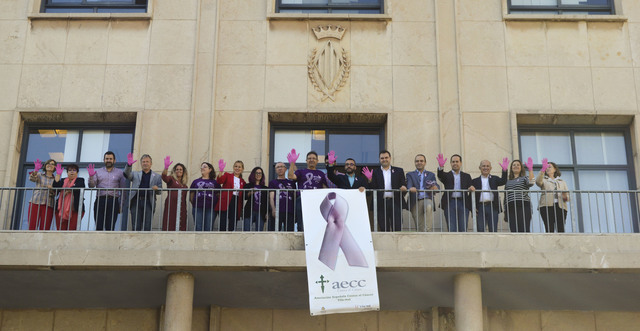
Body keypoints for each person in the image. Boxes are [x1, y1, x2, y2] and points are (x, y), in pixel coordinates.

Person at [363, 150, 407, 232]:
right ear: (379, 159)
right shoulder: (375, 172)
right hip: (381, 203)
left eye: (386, 157)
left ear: (390, 158)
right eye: (382, 158)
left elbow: (403, 183)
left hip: (395, 202)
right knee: (384, 228)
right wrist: (370, 180)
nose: (384, 159)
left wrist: (404, 187)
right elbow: (373, 188)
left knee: (397, 227)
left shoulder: (398, 170)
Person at [287, 150, 329, 231]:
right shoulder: (300, 171)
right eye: (309, 158)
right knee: (301, 222)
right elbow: (290, 176)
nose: (311, 160)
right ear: (306, 161)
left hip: (316, 200)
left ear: (317, 161)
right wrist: (292, 162)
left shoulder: (321, 173)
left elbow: (325, 188)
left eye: (314, 158)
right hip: (302, 199)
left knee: (315, 221)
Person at [87, 151, 127, 231]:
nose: (108, 160)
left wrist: (121, 205)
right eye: (107, 159)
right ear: (104, 160)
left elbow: (123, 190)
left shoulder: (120, 172)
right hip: (100, 201)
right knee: (99, 226)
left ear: (114, 161)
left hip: (113, 201)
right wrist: (91, 177)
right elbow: (91, 186)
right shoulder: (98, 172)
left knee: (110, 226)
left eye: (110, 159)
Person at [123, 153, 162, 231]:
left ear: (151, 164)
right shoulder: (135, 174)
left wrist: (157, 188)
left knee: (147, 226)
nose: (145, 163)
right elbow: (127, 175)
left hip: (148, 202)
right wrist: (129, 165)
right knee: (136, 225)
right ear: (141, 164)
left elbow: (160, 191)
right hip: (136, 201)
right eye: (143, 162)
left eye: (147, 162)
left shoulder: (157, 176)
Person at [437, 153, 473, 232]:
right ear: (450, 163)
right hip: (450, 202)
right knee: (451, 228)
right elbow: (440, 176)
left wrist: (471, 187)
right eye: (453, 162)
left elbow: (471, 186)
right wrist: (441, 167)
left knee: (463, 228)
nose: (455, 163)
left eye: (457, 161)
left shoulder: (466, 176)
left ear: (461, 163)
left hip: (463, 203)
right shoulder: (446, 175)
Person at [470, 159, 508, 232]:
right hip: (480, 207)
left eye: (487, 166)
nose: (485, 168)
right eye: (483, 166)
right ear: (480, 168)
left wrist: (504, 170)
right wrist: (473, 208)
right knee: (480, 230)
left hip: (492, 207)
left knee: (493, 230)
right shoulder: (475, 181)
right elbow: (470, 196)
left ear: (490, 168)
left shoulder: (494, 179)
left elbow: (503, 181)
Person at [406, 154, 439, 232]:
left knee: (428, 206)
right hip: (415, 201)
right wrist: (411, 188)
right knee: (420, 228)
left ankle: (428, 230)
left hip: (427, 198)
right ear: (415, 163)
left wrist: (435, 187)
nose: (419, 162)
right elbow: (409, 185)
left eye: (421, 161)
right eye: (417, 161)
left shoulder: (431, 174)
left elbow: (436, 186)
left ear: (425, 162)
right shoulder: (410, 174)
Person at [536, 158, 570, 233]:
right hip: (546, 205)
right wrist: (542, 169)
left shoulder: (562, 181)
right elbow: (538, 182)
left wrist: (565, 197)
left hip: (560, 206)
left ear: (555, 169)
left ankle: (560, 244)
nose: (547, 168)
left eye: (549, 167)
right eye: (546, 167)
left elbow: (567, 197)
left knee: (561, 228)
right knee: (549, 228)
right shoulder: (544, 179)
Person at [504, 158, 535, 233]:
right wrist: (505, 211)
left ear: (521, 168)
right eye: (514, 165)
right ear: (511, 168)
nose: (516, 166)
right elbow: (505, 196)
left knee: (524, 228)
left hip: (523, 204)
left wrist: (530, 169)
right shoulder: (507, 181)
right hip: (511, 206)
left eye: (518, 165)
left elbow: (531, 183)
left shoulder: (524, 178)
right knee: (513, 229)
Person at [52, 163, 85, 231]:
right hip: (60, 209)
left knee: (72, 230)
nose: (72, 172)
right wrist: (58, 175)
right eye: (70, 170)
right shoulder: (63, 180)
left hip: (75, 210)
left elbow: (80, 186)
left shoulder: (80, 180)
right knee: (60, 230)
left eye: (74, 170)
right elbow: (56, 188)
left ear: (77, 172)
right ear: (67, 172)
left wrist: (70, 189)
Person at [27, 159, 57, 230]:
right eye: (48, 163)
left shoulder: (55, 179)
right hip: (36, 202)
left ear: (55, 167)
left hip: (49, 204)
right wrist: (35, 170)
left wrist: (51, 189)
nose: (50, 165)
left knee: (45, 228)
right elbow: (32, 178)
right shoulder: (39, 174)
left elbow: (55, 193)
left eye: (52, 164)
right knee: (32, 226)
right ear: (45, 166)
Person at [216, 159, 246, 231]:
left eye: (239, 167)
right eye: (236, 166)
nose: (237, 168)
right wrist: (221, 171)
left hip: (236, 201)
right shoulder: (227, 175)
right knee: (223, 221)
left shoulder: (243, 181)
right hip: (226, 200)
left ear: (242, 169)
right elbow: (219, 181)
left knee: (233, 221)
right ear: (233, 167)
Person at [161, 156, 188, 231]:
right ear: (174, 171)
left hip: (181, 207)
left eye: (180, 169)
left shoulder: (185, 185)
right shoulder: (171, 179)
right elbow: (164, 177)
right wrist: (166, 167)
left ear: (183, 172)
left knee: (181, 224)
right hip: (171, 206)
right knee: (170, 223)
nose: (179, 171)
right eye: (177, 169)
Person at [190, 162, 219, 231]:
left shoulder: (214, 182)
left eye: (205, 167)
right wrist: (194, 203)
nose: (202, 168)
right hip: (198, 207)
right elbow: (191, 195)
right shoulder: (195, 181)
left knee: (208, 227)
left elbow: (218, 194)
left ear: (210, 169)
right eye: (202, 167)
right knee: (198, 227)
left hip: (211, 208)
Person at [269, 162, 296, 231]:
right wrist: (273, 209)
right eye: (278, 167)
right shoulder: (272, 183)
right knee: (275, 233)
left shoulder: (291, 183)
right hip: (278, 210)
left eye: (281, 166)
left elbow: (294, 197)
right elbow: (271, 197)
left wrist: (292, 164)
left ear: (285, 169)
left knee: (289, 233)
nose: (280, 168)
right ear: (275, 170)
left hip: (290, 211)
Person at [243, 167, 269, 231]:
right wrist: (250, 193)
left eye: (260, 173)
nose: (258, 175)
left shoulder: (265, 188)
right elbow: (244, 197)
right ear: (253, 174)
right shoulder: (248, 185)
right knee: (246, 231)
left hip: (261, 212)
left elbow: (266, 201)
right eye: (256, 173)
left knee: (259, 233)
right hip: (249, 211)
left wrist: (267, 212)